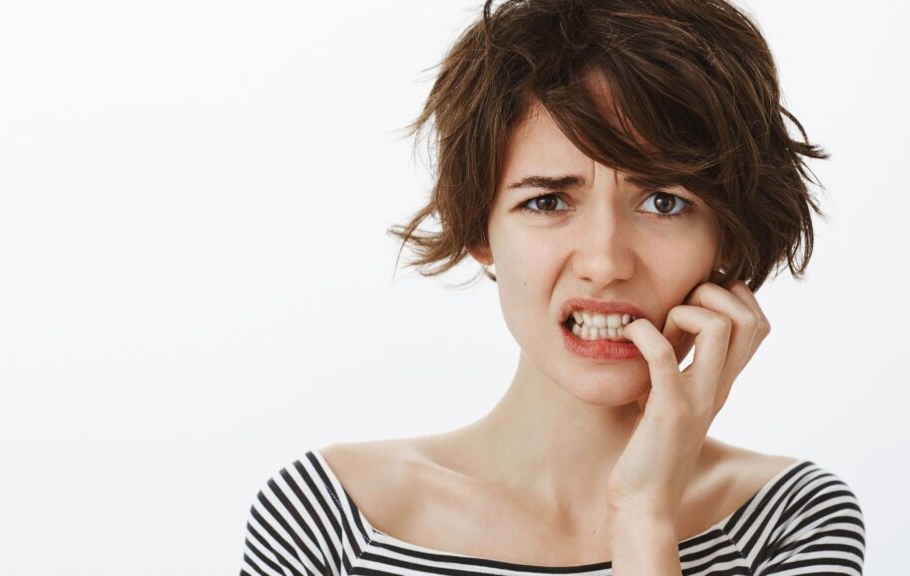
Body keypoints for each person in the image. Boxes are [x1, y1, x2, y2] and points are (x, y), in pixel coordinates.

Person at [239, 0, 866, 574]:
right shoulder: (332, 518)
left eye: (663, 202)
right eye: (547, 201)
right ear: (479, 227)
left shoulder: (792, 521)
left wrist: (644, 517)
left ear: (726, 239)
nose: (604, 262)